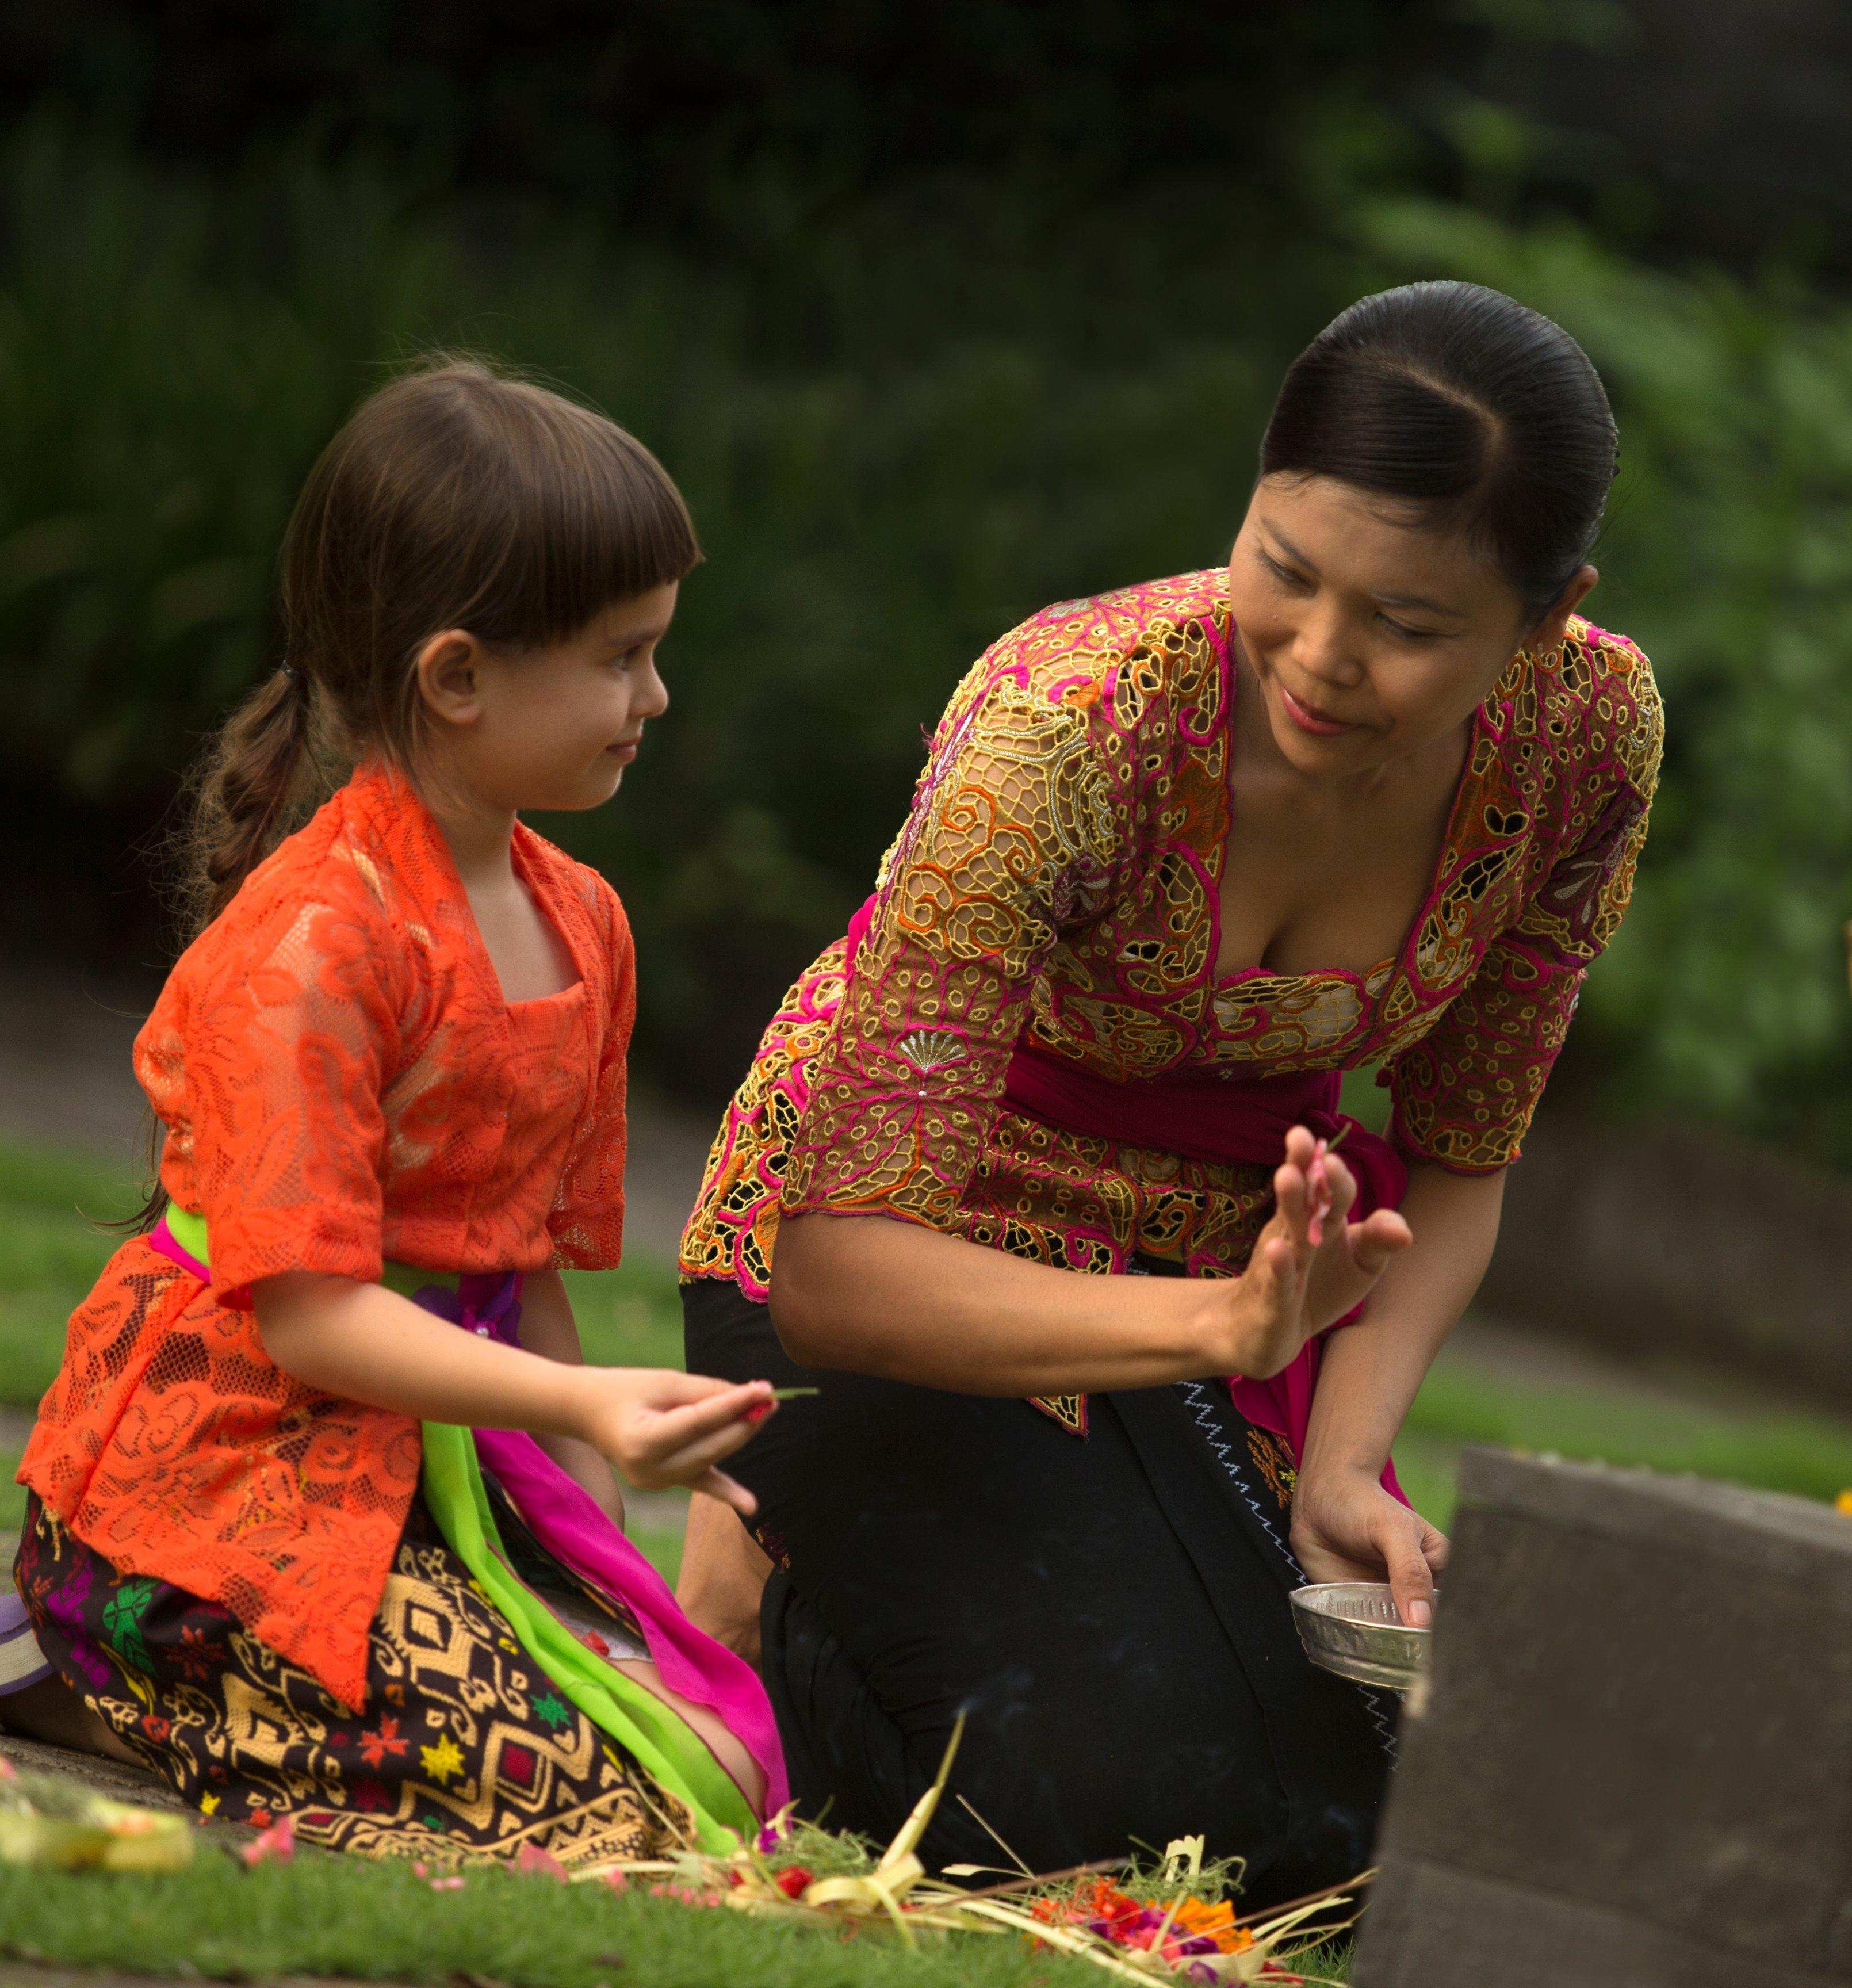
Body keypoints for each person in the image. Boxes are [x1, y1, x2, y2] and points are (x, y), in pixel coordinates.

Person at [674, 281, 1663, 1899]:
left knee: (1374, 1844)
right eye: (1285, 570)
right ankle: (767, 1596)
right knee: (1140, 1835)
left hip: (1231, 1269)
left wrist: (1344, 1462)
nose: (1327, 660)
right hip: (898, 1246)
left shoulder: (1588, 735)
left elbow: (1464, 1158)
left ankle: (854, 1570)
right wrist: (1223, 1334)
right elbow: (840, 1269)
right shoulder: (1063, 726)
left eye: (1411, 627)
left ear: (1546, 622)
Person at [3, 359, 787, 1865]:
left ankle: (202, 1691)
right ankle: (101, 1664)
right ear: (457, 676)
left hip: (439, 1476)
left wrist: (596, 1563)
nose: (657, 698)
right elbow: (306, 1320)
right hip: (224, 1493)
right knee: (602, 1809)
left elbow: (523, 1279)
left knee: (713, 1760)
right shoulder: (315, 940)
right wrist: (586, 1409)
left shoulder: (588, 925)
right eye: (622, 659)